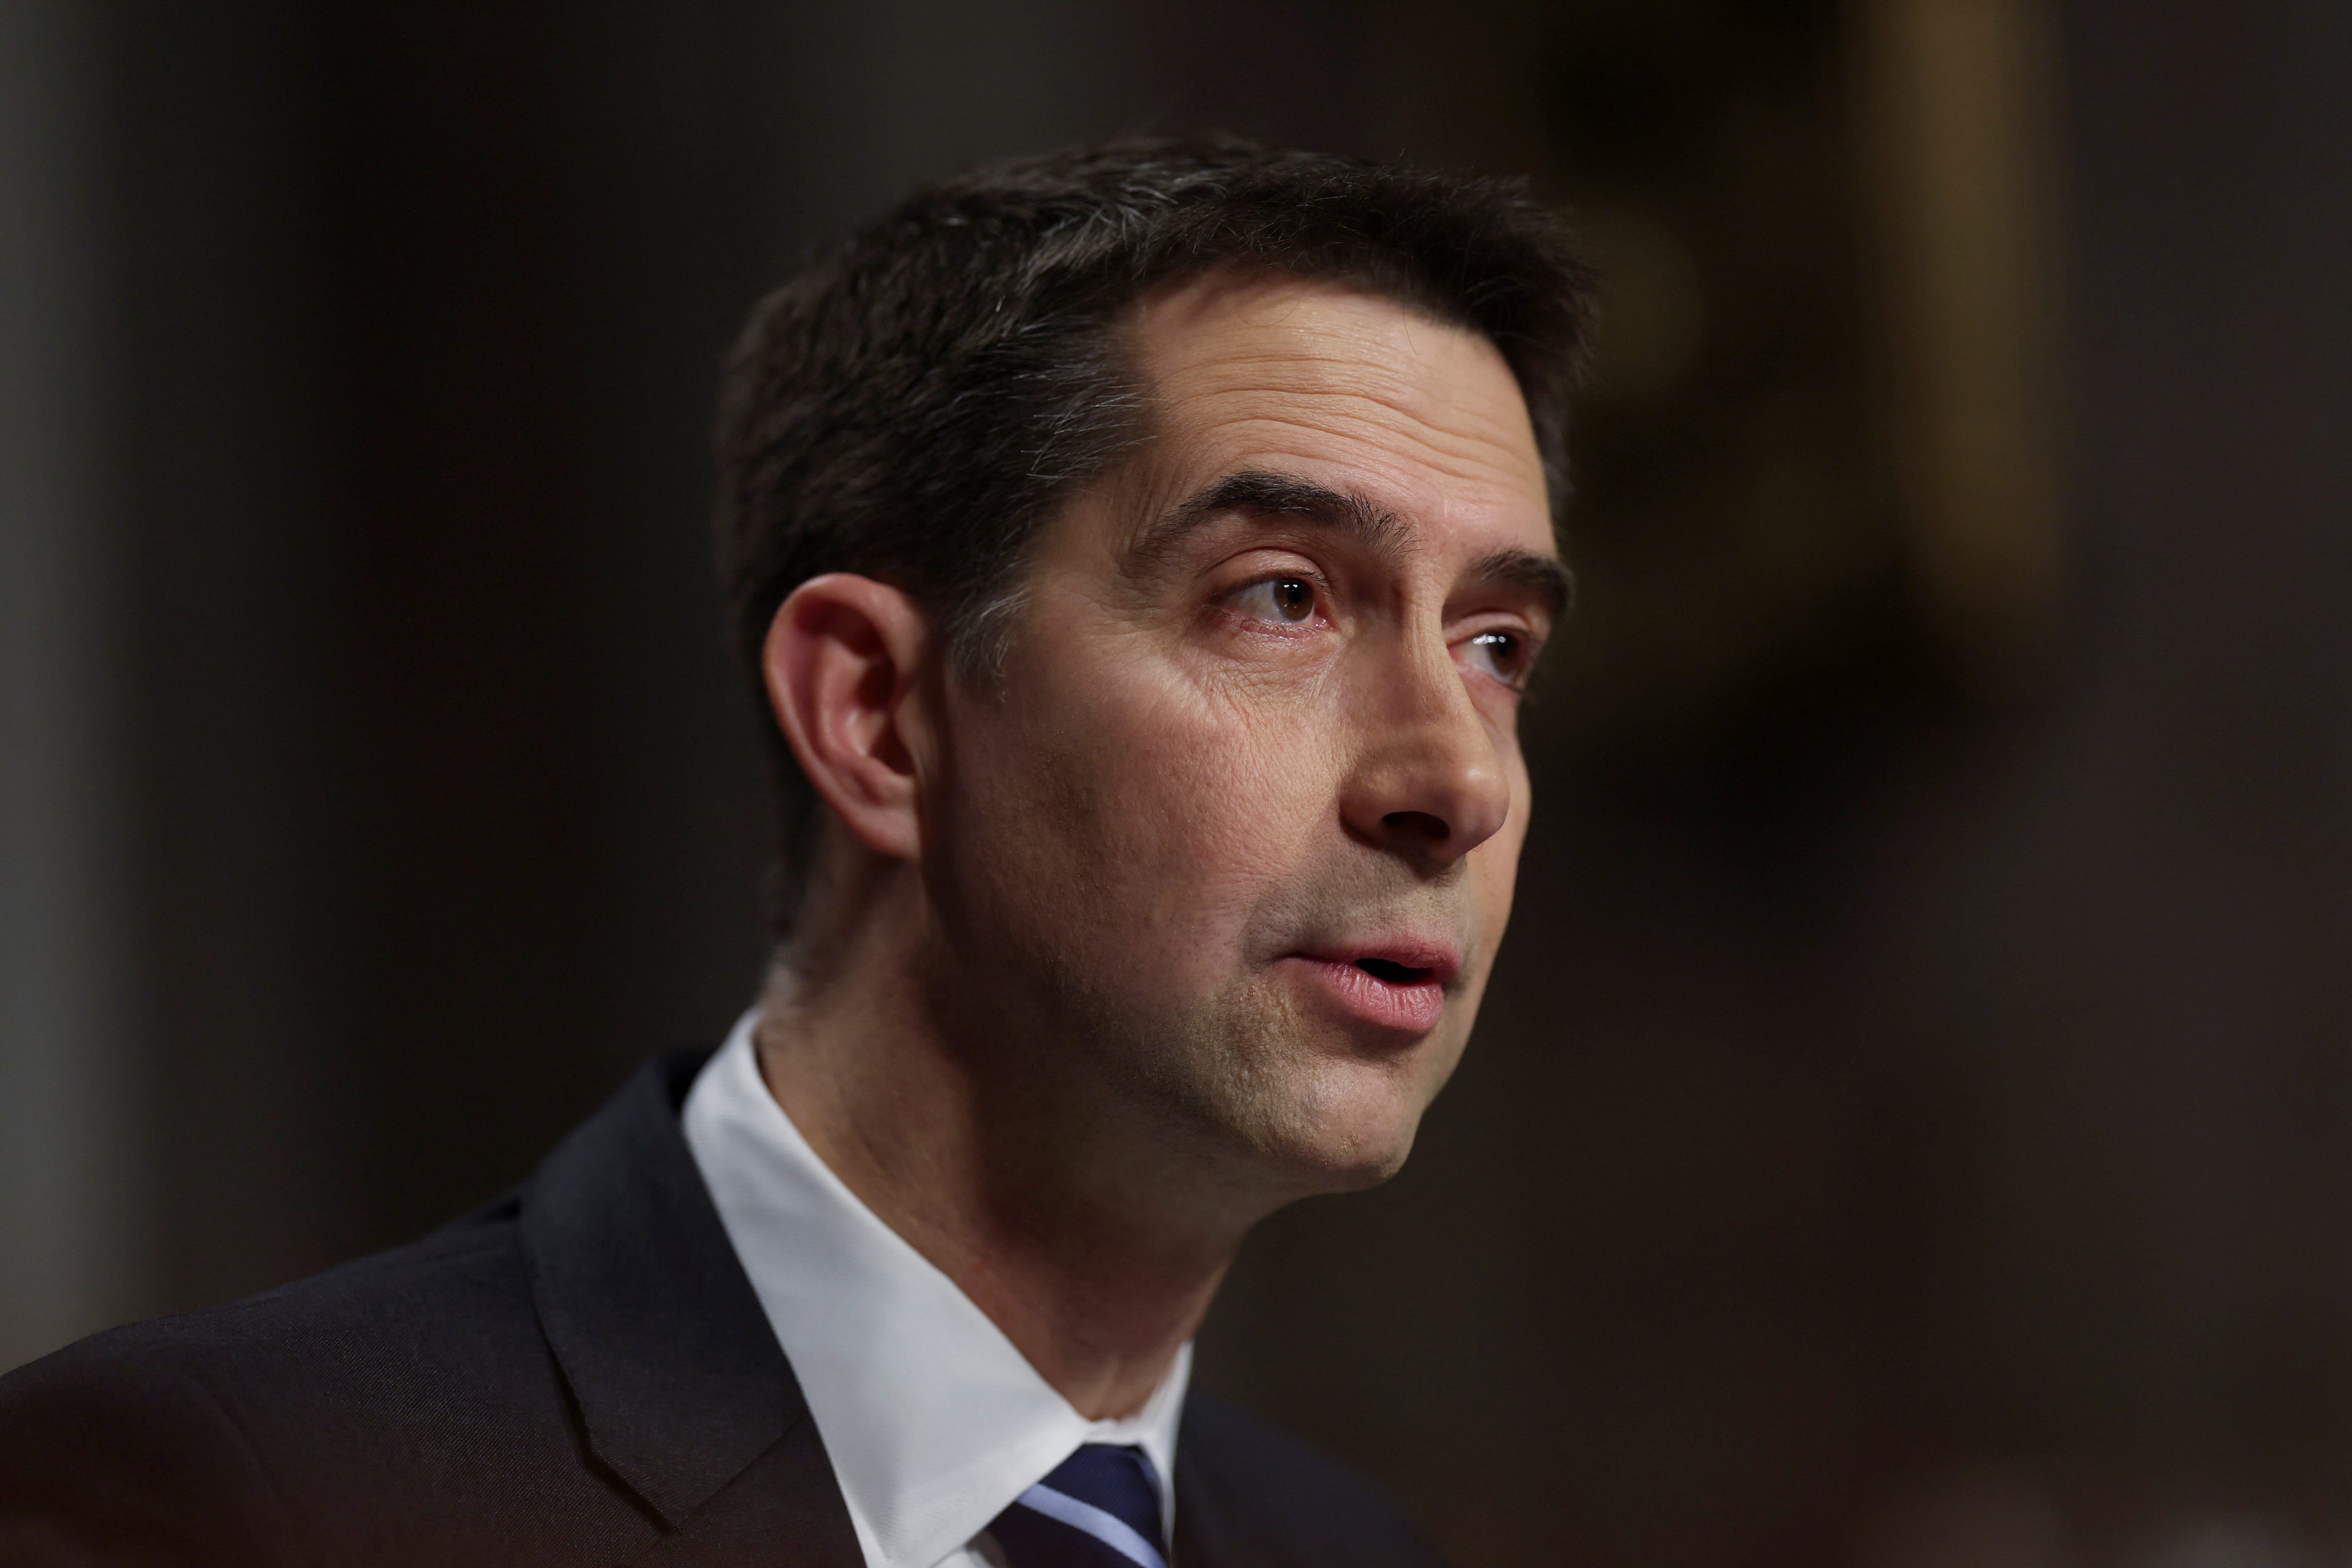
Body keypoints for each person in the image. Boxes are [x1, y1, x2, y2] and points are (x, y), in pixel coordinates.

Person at [0, 136, 1591, 1567]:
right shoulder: (231, 1499)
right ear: (880, 718)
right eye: (1286, 599)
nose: (1458, 777)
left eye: (1497, 644)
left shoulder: (1351, 1548)